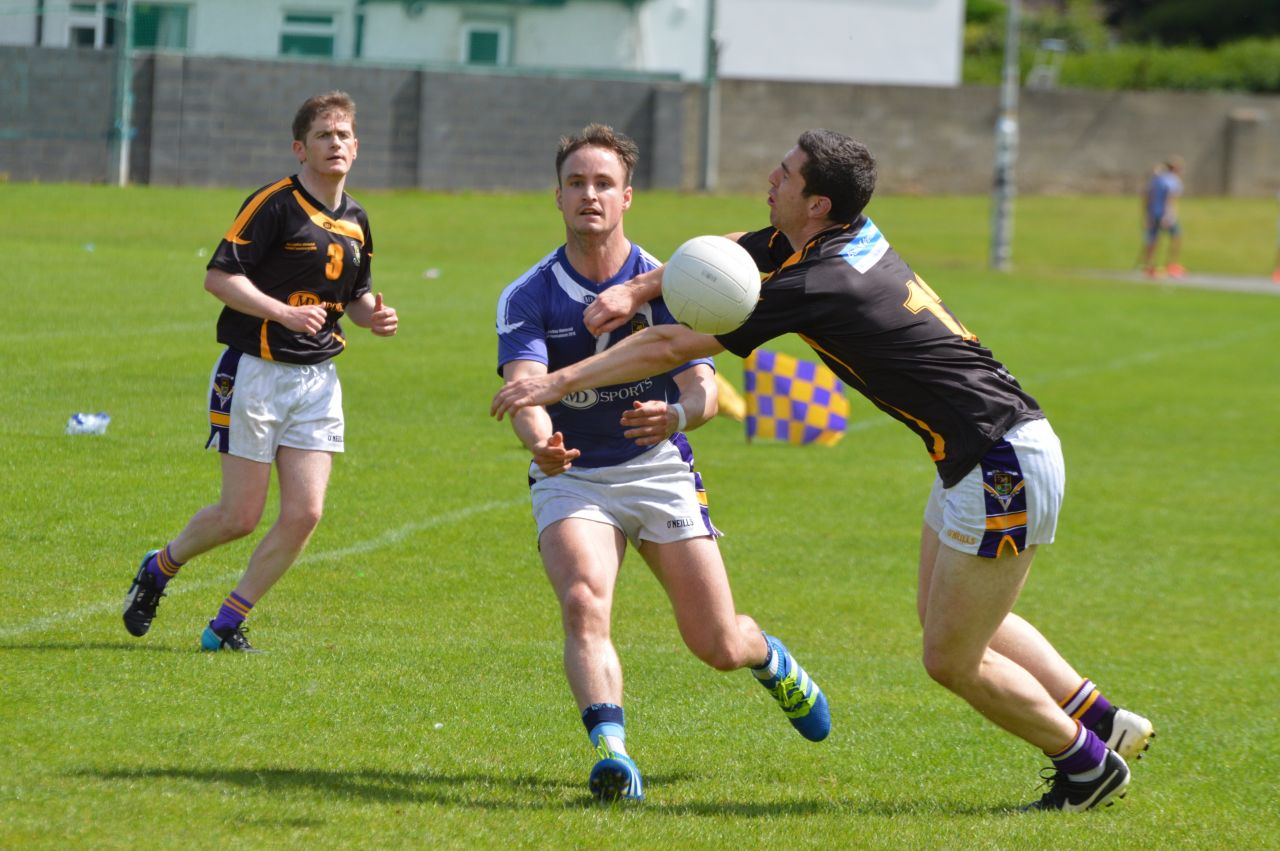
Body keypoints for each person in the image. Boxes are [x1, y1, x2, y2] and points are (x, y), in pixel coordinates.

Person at [492, 129, 1155, 812]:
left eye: (785, 175)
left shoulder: (819, 281)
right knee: (944, 614)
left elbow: (667, 343)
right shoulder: (832, 236)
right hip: (981, 452)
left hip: (999, 462)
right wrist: (642, 285)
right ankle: (1100, 716)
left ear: (817, 203)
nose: (769, 181)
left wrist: (552, 384)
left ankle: (1085, 763)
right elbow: (731, 249)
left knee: (950, 658)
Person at [496, 123, 829, 802]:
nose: (589, 195)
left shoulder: (683, 279)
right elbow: (527, 388)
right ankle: (612, 752)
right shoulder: (528, 294)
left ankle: (769, 656)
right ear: (557, 196)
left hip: (658, 469)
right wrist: (539, 442)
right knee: (585, 600)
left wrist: (674, 416)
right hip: (575, 476)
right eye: (576, 183)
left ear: (627, 197)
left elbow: (703, 387)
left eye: (603, 184)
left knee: (715, 643)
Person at [123, 91, 399, 652]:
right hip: (254, 372)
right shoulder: (274, 203)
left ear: (357, 147)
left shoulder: (358, 221)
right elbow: (219, 278)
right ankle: (160, 567)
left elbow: (357, 296)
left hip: (318, 380)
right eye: (324, 135)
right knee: (239, 516)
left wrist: (376, 316)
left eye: (344, 135)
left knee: (306, 512)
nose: (336, 144)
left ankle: (225, 624)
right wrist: (282, 312)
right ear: (300, 148)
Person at [1141, 155, 1184, 278]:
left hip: (1154, 213)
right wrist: (1168, 214)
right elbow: (1169, 197)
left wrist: (1147, 215)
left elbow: (1147, 196)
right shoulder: (1173, 180)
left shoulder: (1157, 179)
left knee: (1153, 239)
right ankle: (1172, 265)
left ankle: (1148, 265)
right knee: (1176, 236)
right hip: (1165, 214)